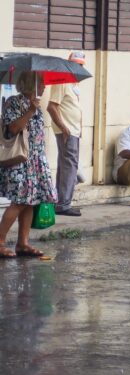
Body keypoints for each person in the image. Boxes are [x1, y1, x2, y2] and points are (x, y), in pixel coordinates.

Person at [0, 71, 57, 258]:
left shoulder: (37, 106)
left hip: (36, 160)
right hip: (21, 160)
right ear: (30, 84)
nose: (44, 86)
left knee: (30, 202)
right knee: (19, 202)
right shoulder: (14, 103)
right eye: (41, 82)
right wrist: (30, 111)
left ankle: (23, 243)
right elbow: (12, 129)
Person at [47, 51, 85, 217]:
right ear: (68, 63)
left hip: (73, 130)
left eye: (81, 64)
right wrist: (64, 128)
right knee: (69, 166)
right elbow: (51, 107)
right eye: (75, 63)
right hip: (66, 131)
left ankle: (61, 201)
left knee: (66, 166)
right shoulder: (62, 81)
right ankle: (63, 204)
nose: (78, 66)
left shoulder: (74, 83)